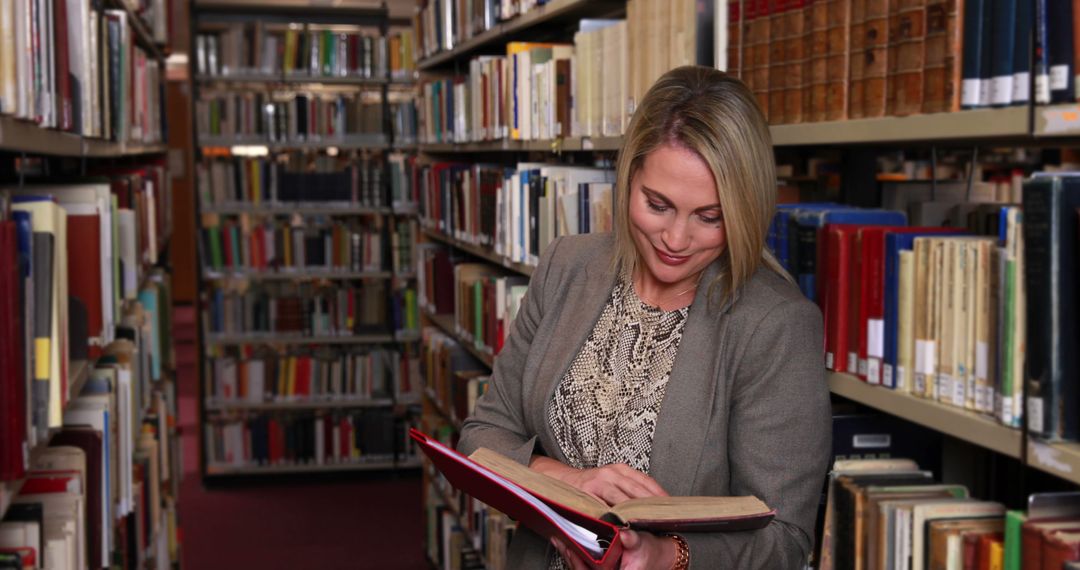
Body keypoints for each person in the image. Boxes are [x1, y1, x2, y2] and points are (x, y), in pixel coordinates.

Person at [457, 65, 831, 569]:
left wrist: (667, 556)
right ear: (628, 176)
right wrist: (568, 481)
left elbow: (786, 538)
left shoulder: (775, 324)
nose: (676, 240)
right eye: (658, 205)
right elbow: (483, 434)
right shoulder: (568, 265)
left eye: (710, 216)